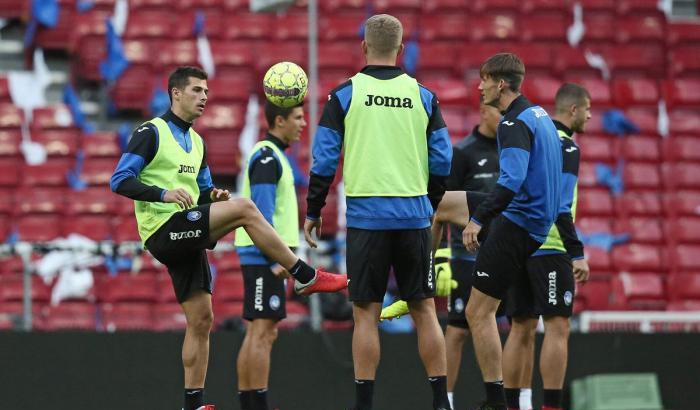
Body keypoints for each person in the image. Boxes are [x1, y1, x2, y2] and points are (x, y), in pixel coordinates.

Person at [110, 66, 346, 410]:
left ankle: (193, 405)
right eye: (196, 90)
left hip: (186, 232)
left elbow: (203, 191)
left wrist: (213, 198)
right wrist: (163, 194)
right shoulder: (151, 132)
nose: (204, 96)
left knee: (202, 319)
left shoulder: (198, 143)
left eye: (206, 91)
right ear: (175, 93)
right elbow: (119, 180)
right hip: (164, 230)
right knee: (247, 208)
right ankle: (305, 275)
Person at [303, 14, 453, 410]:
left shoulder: (344, 94)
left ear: (364, 47)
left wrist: (314, 208)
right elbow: (443, 157)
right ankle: (441, 401)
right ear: (401, 50)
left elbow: (323, 159)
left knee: (366, 312)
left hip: (367, 219)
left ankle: (364, 404)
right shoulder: (424, 96)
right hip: (414, 217)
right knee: (423, 308)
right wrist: (430, 201)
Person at [429, 53, 563, 410]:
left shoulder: (511, 124)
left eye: (484, 80)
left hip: (517, 223)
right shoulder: (539, 115)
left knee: (477, 313)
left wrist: (478, 220)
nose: (479, 86)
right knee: (438, 204)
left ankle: (496, 401)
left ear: (500, 83)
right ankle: (424, 276)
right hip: (532, 219)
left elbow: (512, 180)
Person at [379, 100, 502, 410]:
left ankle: (515, 400)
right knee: (459, 330)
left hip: (504, 251)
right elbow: (441, 209)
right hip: (467, 257)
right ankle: (445, 400)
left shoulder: (513, 149)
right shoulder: (464, 153)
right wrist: (439, 261)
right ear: (484, 111)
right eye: (500, 111)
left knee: (517, 326)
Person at [501, 83, 592, 410]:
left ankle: (512, 405)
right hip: (549, 246)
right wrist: (576, 252)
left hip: (516, 243)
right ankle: (551, 406)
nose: (590, 115)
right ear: (573, 110)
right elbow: (561, 205)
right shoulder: (565, 147)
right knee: (557, 326)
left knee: (520, 328)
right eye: (587, 109)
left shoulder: (533, 140)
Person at [234, 101, 307, 410]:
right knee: (262, 332)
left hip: (268, 255)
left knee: (263, 331)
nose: (303, 123)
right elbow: (260, 214)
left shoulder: (275, 155)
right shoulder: (266, 157)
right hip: (265, 257)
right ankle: (256, 404)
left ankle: (251, 402)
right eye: (298, 117)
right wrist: (276, 258)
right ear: (280, 120)